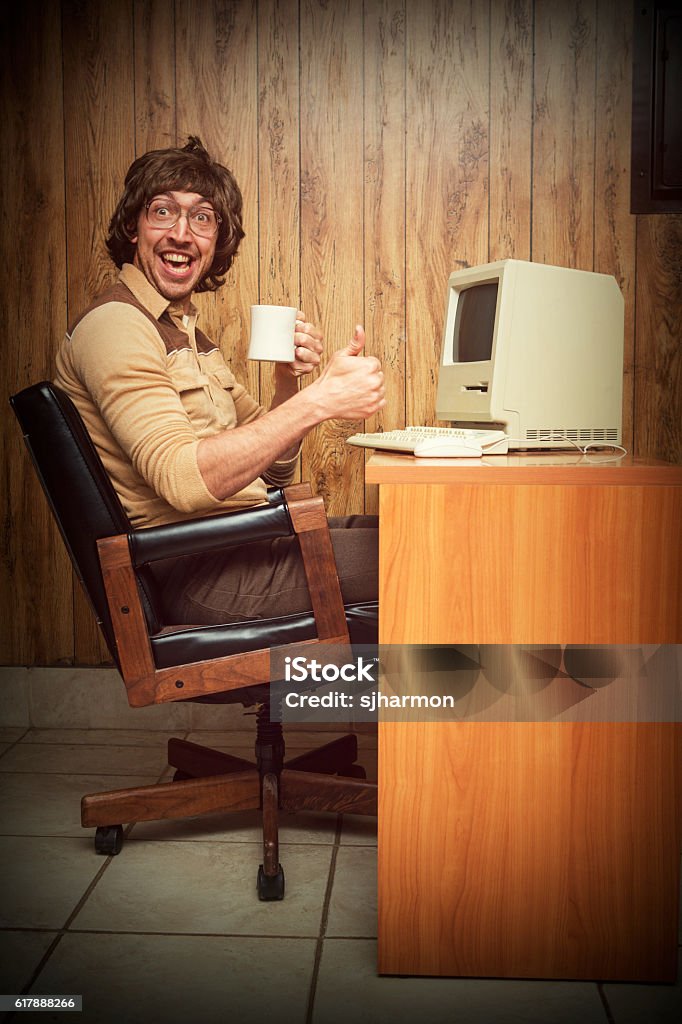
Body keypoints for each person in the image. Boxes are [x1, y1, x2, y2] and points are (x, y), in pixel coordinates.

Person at [55, 136, 385, 626]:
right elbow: (185, 481)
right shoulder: (117, 326)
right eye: (162, 212)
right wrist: (320, 401)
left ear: (216, 242)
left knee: (415, 529)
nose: (182, 234)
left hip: (246, 543)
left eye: (202, 217)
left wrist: (288, 386)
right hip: (201, 572)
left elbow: (273, 473)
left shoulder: (185, 330)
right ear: (133, 227)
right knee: (425, 557)